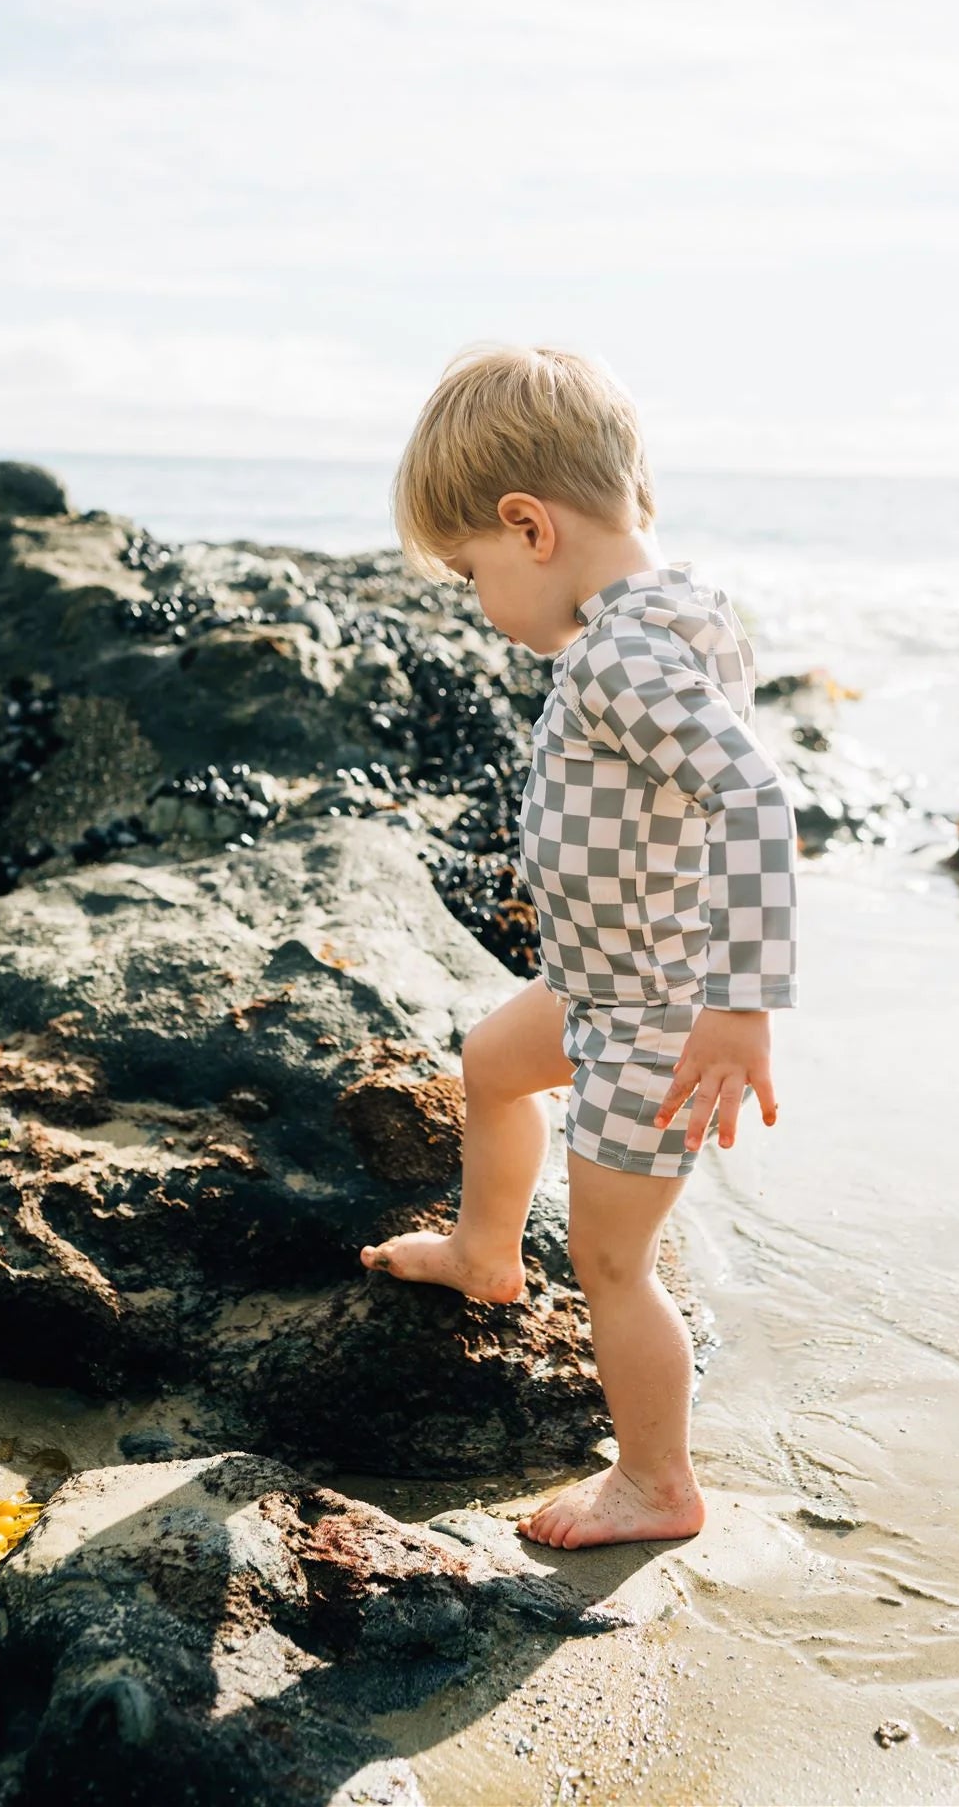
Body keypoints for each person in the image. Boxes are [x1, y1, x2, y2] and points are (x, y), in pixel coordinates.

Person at [360, 344, 800, 1550]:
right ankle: (484, 1248)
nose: (473, 597)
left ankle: (657, 1480)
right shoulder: (672, 613)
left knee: (612, 1261)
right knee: (493, 1061)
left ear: (528, 525)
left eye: (469, 570)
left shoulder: (619, 654)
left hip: (658, 1013)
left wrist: (740, 1003)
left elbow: (756, 799)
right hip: (600, 983)